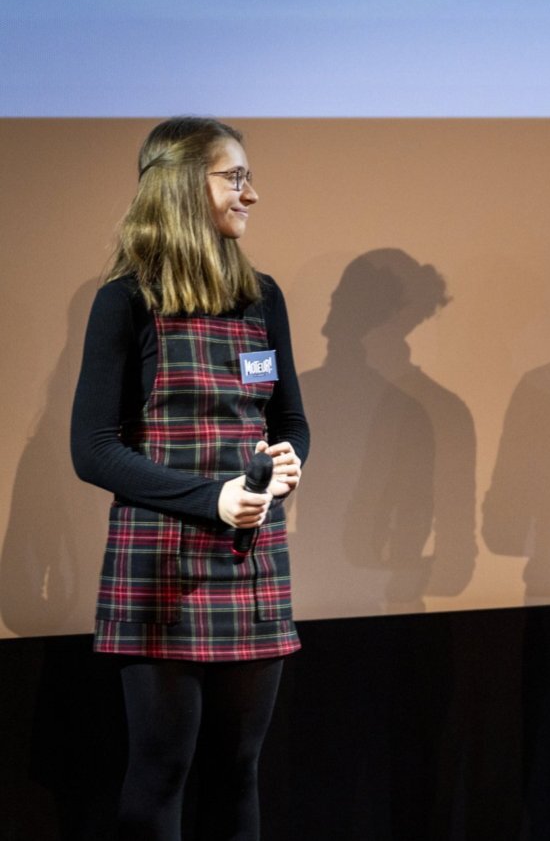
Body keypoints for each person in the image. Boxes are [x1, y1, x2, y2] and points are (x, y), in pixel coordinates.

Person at [71, 116, 308, 840]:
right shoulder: (127, 300)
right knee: (160, 772)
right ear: (181, 186)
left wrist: (287, 463)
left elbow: (290, 420)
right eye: (234, 177)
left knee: (238, 770)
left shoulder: (261, 296)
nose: (252, 193)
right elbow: (93, 449)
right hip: (159, 564)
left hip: (248, 559)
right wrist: (210, 497)